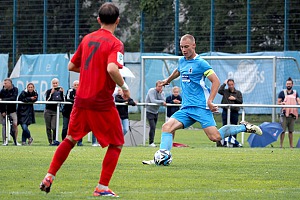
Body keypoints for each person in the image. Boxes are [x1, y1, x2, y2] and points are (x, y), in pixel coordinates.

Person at [40, 3, 130, 198]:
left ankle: (49, 175)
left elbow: (72, 65)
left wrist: (92, 71)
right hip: (101, 101)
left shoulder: (88, 39)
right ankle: (102, 187)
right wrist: (124, 88)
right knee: (117, 143)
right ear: (118, 20)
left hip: (81, 100)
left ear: (98, 20)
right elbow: (112, 69)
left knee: (70, 139)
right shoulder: (116, 44)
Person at [142, 34, 262, 165]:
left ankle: (243, 127)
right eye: (181, 47)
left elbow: (215, 81)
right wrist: (167, 80)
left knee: (215, 137)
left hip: (201, 107)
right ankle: (160, 158)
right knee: (167, 127)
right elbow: (178, 71)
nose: (184, 49)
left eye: (186, 47)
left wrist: (210, 101)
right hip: (187, 108)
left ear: (194, 45)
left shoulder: (201, 63)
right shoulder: (182, 61)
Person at [217, 79, 243, 147]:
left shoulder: (238, 93)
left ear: (234, 84)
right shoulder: (225, 92)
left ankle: (233, 142)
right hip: (226, 111)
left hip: (234, 112)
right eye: (229, 85)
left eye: (232, 84)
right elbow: (219, 91)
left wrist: (234, 99)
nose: (231, 86)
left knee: (234, 127)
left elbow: (240, 101)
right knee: (225, 126)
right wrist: (224, 84)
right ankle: (224, 142)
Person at [278, 77, 300, 148]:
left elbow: (298, 101)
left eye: (290, 84)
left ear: (292, 85)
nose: (288, 85)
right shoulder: (282, 93)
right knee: (283, 131)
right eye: (287, 84)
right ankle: (281, 145)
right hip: (284, 114)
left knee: (291, 131)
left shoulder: (295, 93)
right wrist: (282, 103)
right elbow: (278, 102)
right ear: (286, 84)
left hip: (292, 114)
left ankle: (291, 145)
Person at [145, 80, 167, 147]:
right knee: (152, 127)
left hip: (156, 112)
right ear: (156, 86)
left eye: (161, 86)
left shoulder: (162, 93)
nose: (160, 88)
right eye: (159, 86)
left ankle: (152, 142)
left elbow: (163, 100)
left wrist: (160, 95)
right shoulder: (151, 91)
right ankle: (151, 142)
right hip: (149, 111)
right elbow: (153, 100)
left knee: (154, 127)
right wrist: (161, 102)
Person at [44, 78, 64, 145]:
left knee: (54, 127)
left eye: (56, 83)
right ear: (52, 84)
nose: (55, 84)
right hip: (48, 110)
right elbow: (47, 101)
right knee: (48, 127)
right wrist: (51, 94)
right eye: (54, 83)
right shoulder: (49, 91)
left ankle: (55, 140)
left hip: (55, 111)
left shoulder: (60, 91)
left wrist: (61, 93)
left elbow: (62, 101)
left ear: (58, 83)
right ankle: (50, 141)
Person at [0, 78, 19, 146]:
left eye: (6, 83)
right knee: (4, 125)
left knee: (15, 124)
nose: (4, 85)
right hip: (4, 111)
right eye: (4, 83)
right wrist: (2, 111)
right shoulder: (2, 91)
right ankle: (5, 141)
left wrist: (4, 99)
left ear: (10, 83)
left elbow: (13, 98)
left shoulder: (15, 89)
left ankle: (15, 141)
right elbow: (1, 102)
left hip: (12, 110)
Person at [61, 80, 81, 145]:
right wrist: (76, 100)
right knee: (65, 127)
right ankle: (63, 140)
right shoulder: (70, 91)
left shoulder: (82, 91)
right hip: (67, 112)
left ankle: (79, 141)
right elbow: (67, 98)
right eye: (75, 85)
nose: (76, 86)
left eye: (77, 85)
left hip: (77, 113)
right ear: (73, 86)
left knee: (78, 127)